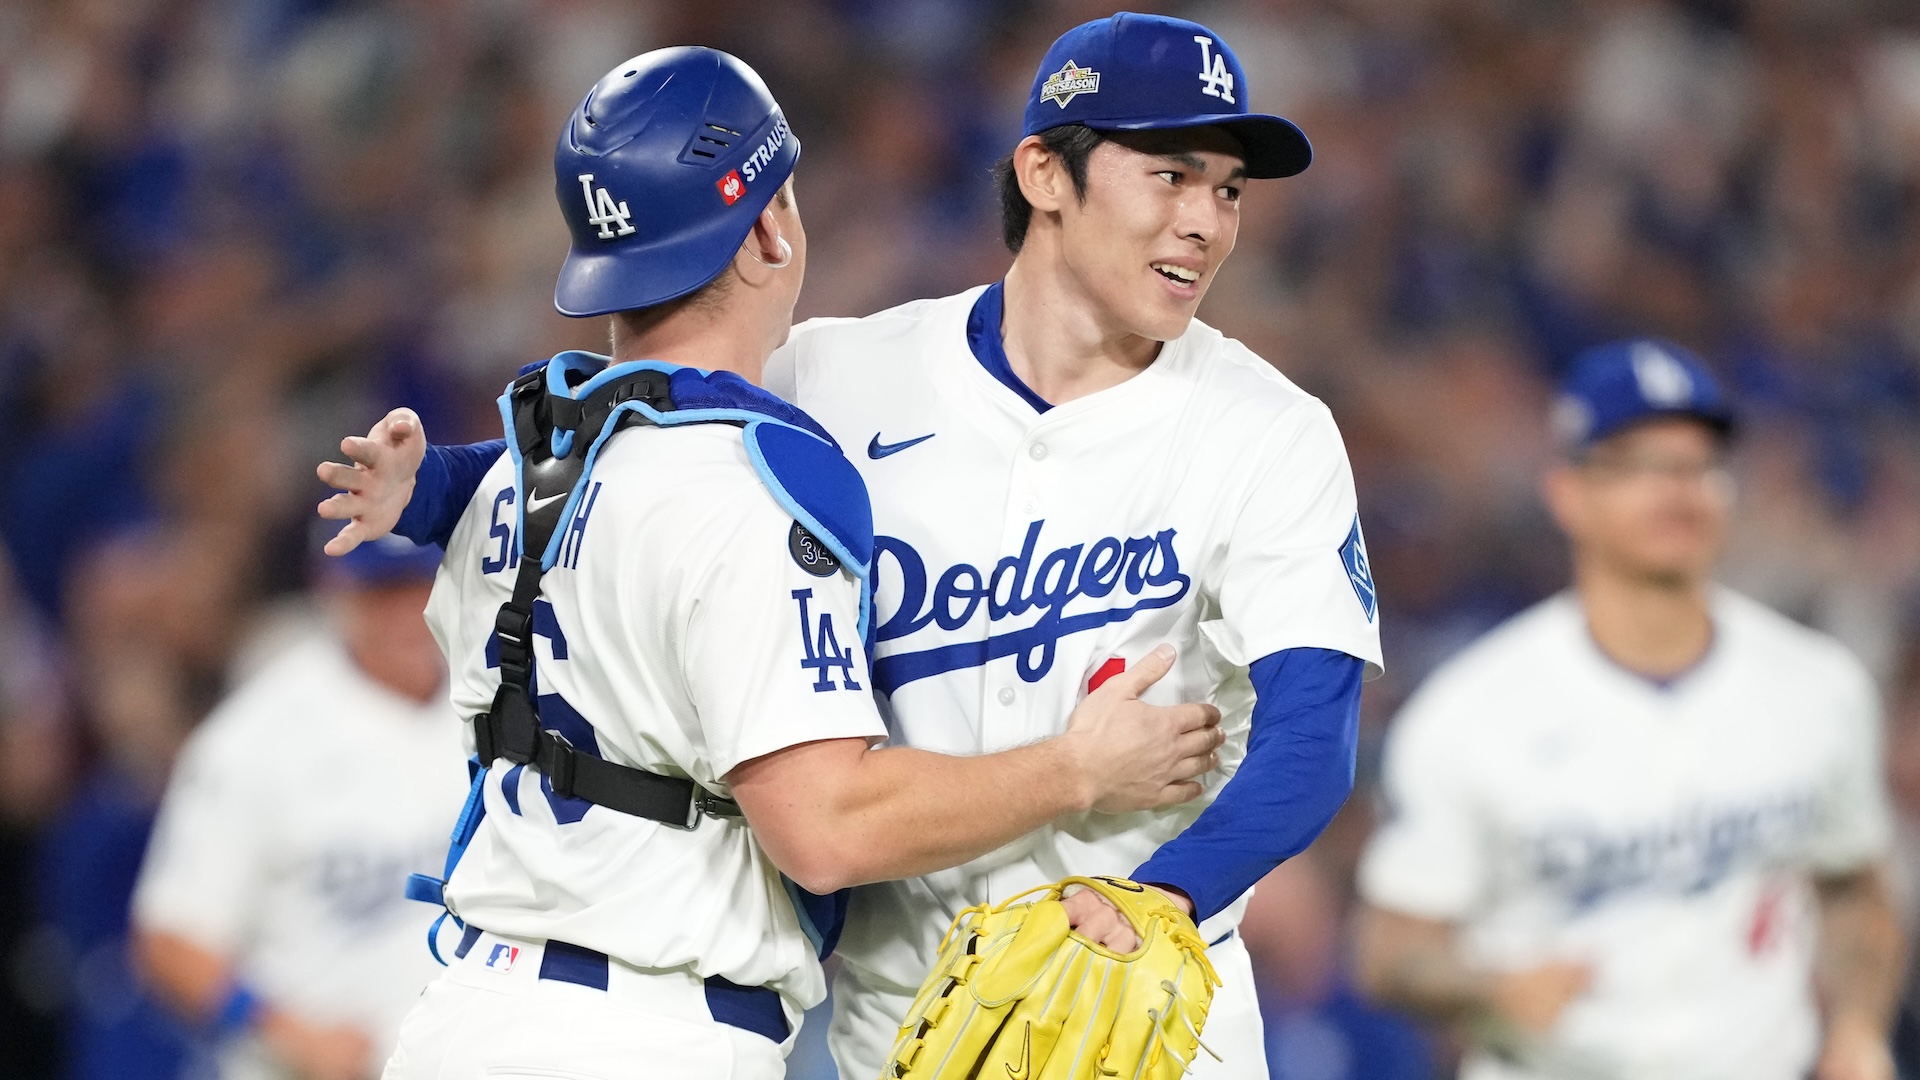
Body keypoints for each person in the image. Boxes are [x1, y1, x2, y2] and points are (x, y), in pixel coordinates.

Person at [321, 16, 1383, 1080]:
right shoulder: (835, 376)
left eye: (1229, 191)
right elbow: (634, 449)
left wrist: (1166, 895)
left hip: (1144, 1022)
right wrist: (433, 488)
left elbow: (1313, 738)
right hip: (895, 1031)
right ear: (1044, 175)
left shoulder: (1268, 431)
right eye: (1170, 176)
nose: (1204, 222)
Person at [1353, 339, 1906, 1080]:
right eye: (1639, 465)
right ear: (1568, 492)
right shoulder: (1468, 712)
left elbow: (1853, 889)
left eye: (1698, 465)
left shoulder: (1818, 686)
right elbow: (1392, 953)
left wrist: (1859, 1027)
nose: (1676, 491)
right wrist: (1486, 986)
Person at [130, 534, 465, 1080]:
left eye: (421, 583)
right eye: (383, 590)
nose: (410, 611)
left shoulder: (496, 697)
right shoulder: (254, 738)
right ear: (334, 589)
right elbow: (171, 941)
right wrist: (288, 1032)